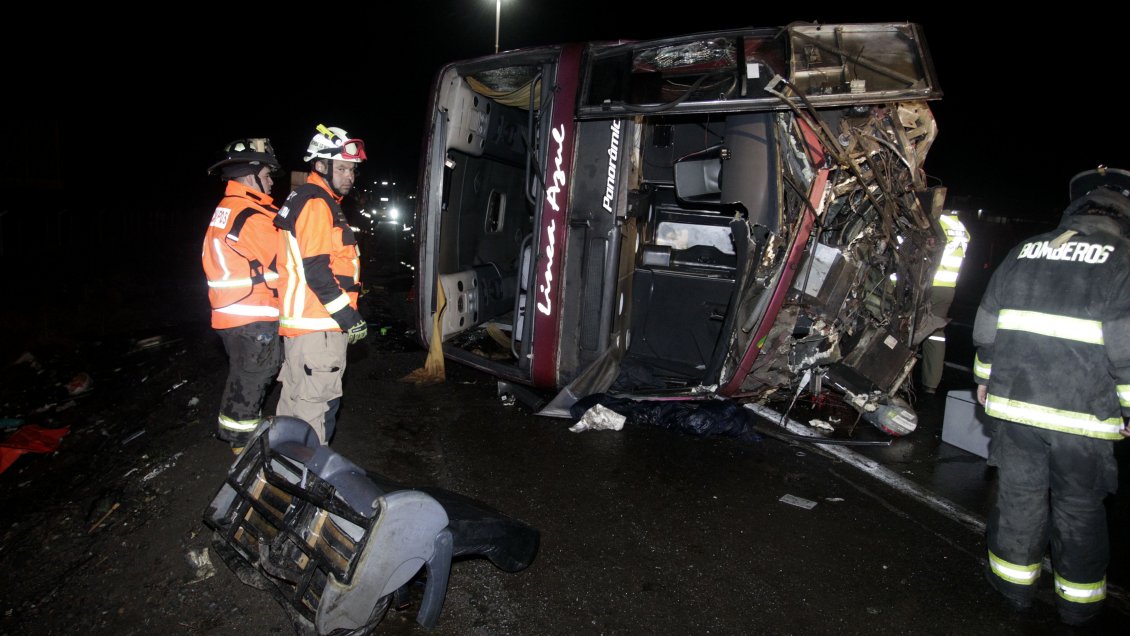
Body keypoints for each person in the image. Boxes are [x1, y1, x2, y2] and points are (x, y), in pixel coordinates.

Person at [973, 166, 1130, 626]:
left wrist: (985, 379)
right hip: (1083, 418)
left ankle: (1011, 589)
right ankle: (1078, 608)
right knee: (1078, 508)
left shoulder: (1026, 250)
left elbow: (986, 327)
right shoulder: (1122, 258)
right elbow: (1126, 345)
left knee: (1020, 497)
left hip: (1015, 407)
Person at [273, 124, 369, 444]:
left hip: (307, 329)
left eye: (352, 170)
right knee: (317, 412)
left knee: (294, 408)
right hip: (319, 329)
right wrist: (348, 317)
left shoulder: (311, 199)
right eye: (341, 168)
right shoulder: (316, 203)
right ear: (320, 166)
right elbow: (316, 271)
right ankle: (307, 486)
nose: (349, 177)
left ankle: (284, 474)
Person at [201, 138, 283, 452]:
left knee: (246, 378)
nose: (272, 180)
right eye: (267, 173)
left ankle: (241, 437)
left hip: (233, 314)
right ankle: (242, 449)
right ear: (251, 176)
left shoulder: (229, 208)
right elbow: (283, 266)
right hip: (252, 315)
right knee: (251, 381)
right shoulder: (252, 216)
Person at [920, 210, 969, 394]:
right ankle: (931, 384)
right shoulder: (961, 228)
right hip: (948, 287)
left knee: (908, 330)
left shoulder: (937, 223)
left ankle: (893, 378)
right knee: (936, 333)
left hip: (929, 286)